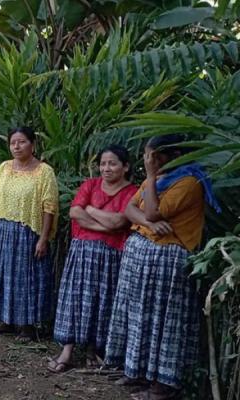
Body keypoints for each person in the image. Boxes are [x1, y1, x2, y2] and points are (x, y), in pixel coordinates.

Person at [104, 135, 220, 400]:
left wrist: (150, 184)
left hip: (168, 261)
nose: (148, 161)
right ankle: (137, 371)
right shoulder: (156, 179)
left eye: (151, 156)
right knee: (138, 316)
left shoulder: (188, 182)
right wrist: (149, 223)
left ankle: (163, 385)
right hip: (142, 257)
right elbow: (130, 209)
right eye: (147, 157)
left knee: (163, 320)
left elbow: (153, 211)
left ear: (170, 155)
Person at [46, 145, 138, 373]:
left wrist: (91, 210)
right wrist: (105, 224)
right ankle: (66, 351)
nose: (106, 168)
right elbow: (75, 213)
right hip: (82, 252)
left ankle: (93, 351)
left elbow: (120, 222)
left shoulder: (133, 192)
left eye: (112, 163)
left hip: (111, 257)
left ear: (125, 167)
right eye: (103, 163)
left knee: (102, 302)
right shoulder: (90, 185)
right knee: (74, 300)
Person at [0, 126, 59, 341]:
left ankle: (26, 326)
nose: (16, 146)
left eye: (22, 141)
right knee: (2, 277)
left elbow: (49, 207)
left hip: (27, 234)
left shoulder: (44, 171)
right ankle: (5, 320)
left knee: (26, 279)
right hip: (0, 232)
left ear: (32, 144)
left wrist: (43, 238)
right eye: (13, 142)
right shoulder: (4, 167)